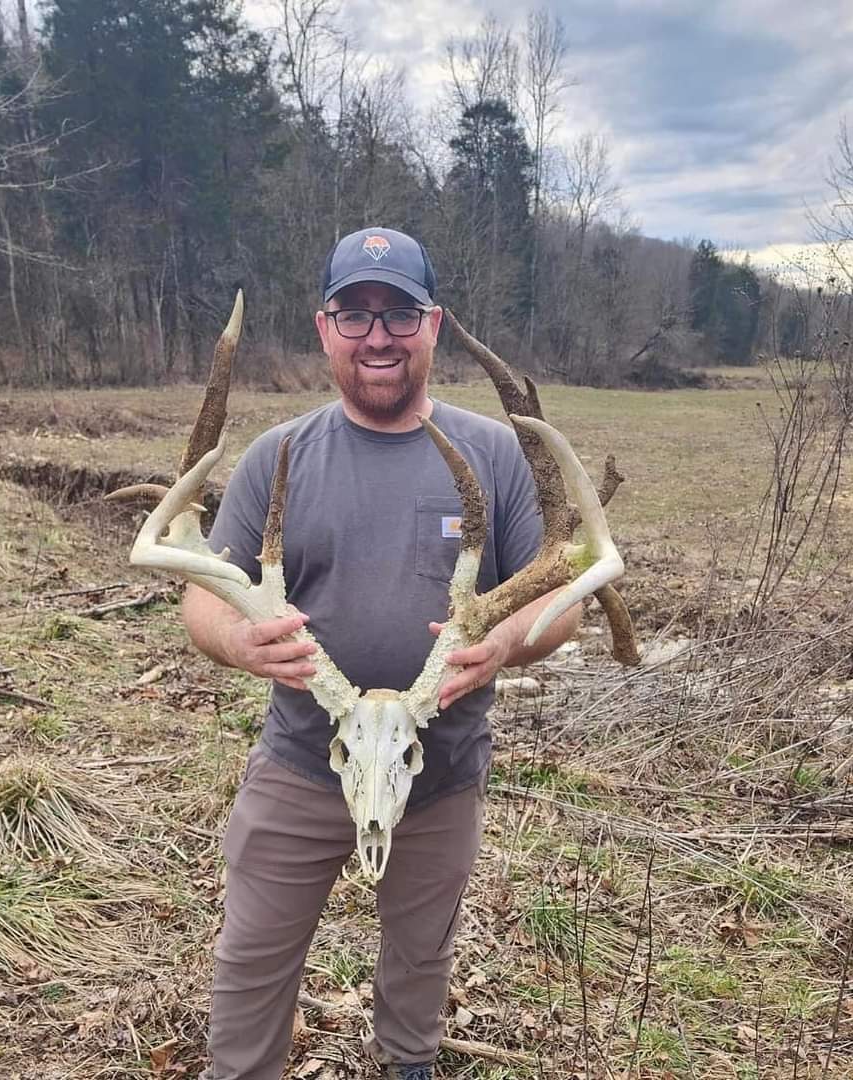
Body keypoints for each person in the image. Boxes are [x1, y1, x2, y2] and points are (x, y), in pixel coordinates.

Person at [183, 226, 581, 1080]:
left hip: (437, 774)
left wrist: (509, 638)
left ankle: (408, 1066)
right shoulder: (275, 456)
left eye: (397, 313)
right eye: (354, 315)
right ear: (324, 329)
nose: (378, 338)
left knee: (420, 959)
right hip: (302, 763)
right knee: (252, 959)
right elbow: (200, 596)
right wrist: (241, 640)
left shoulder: (501, 454)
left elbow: (562, 595)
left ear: (432, 324)